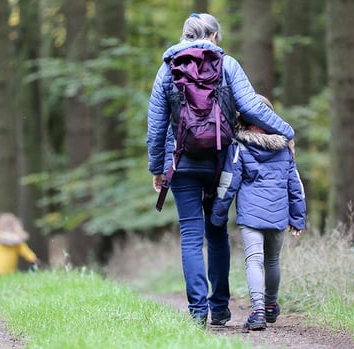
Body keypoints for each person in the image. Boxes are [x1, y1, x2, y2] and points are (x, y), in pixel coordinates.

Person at [146, 13, 295, 327]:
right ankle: (221, 308)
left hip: (182, 162)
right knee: (216, 232)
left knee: (190, 235)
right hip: (221, 162)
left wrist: (157, 167)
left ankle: (198, 312)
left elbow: (156, 126)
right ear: (213, 36)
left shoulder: (167, 69)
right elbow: (253, 107)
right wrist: (286, 132)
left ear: (185, 36)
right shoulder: (228, 65)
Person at [210, 95, 306, 331]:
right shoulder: (284, 148)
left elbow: (228, 182)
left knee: (254, 261)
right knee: (272, 261)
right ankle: (271, 306)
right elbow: (295, 185)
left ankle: (259, 310)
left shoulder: (239, 146)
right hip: (278, 213)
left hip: (251, 216)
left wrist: (217, 215)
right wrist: (297, 217)